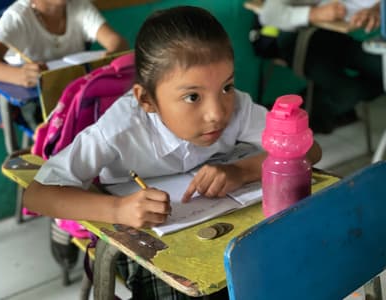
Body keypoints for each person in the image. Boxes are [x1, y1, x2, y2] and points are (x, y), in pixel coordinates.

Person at [24, 6, 322, 299]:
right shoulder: (119, 129)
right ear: (146, 100)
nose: (217, 113)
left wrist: (240, 171)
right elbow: (37, 195)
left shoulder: (238, 108)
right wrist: (119, 210)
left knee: (270, 267)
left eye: (227, 86)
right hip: (145, 231)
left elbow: (309, 150)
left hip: (215, 225)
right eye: (192, 96)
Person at [0, 0, 129, 129]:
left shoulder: (79, 6)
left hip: (77, 97)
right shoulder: (18, 16)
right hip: (38, 105)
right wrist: (19, 75)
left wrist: (110, 56)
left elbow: (118, 43)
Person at [259, 0, 383, 133]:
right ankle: (293, 118)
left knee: (381, 75)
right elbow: (268, 13)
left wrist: (378, 8)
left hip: (354, 39)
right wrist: (312, 14)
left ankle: (309, 111)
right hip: (311, 38)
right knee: (347, 92)